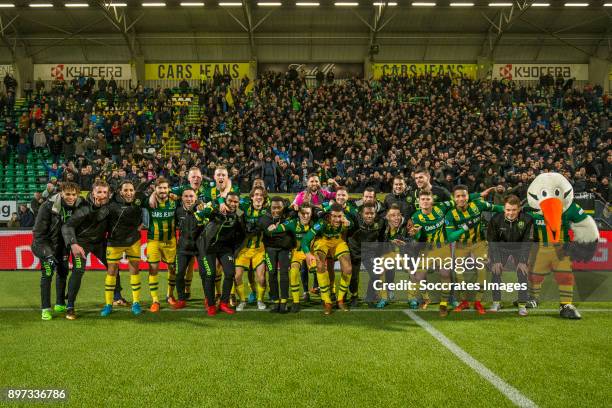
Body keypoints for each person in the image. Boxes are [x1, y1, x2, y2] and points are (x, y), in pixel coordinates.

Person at [445, 185, 504, 315]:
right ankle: (464, 301)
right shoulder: (450, 214)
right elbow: (450, 237)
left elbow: (497, 208)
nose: (461, 198)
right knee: (458, 272)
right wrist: (465, 228)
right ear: (454, 198)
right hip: (461, 244)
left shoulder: (477, 205)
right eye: (458, 196)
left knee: (481, 269)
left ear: (468, 196)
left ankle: (478, 301)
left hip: (479, 243)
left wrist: (511, 210)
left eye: (464, 195)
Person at [31, 182, 82, 321]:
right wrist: (47, 253)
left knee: (63, 272)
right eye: (67, 194)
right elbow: (38, 235)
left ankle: (60, 303)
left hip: (63, 246)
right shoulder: (47, 206)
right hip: (46, 245)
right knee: (47, 273)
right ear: (61, 193)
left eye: (73, 194)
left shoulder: (78, 205)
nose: (71, 197)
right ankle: (45, 309)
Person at [61, 181, 111, 319]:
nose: (102, 195)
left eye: (105, 192)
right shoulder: (83, 206)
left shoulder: (109, 204)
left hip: (100, 242)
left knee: (113, 266)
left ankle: (117, 296)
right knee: (78, 270)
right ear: (93, 192)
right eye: (99, 192)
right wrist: (73, 243)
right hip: (82, 243)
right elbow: (67, 226)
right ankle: (70, 306)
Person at [100, 180, 144, 317]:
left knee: (134, 270)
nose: (129, 193)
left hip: (133, 241)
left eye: (131, 190)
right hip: (115, 242)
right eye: (126, 190)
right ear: (120, 192)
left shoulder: (139, 201)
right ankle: (108, 304)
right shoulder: (111, 204)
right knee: (111, 271)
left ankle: (136, 302)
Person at [194, 191, 242, 316]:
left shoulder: (239, 214)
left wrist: (235, 250)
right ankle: (210, 305)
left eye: (235, 201)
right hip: (207, 246)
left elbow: (242, 233)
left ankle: (224, 303)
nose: (232, 203)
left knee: (230, 273)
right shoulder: (216, 208)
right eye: (230, 201)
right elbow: (199, 215)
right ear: (225, 201)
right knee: (211, 274)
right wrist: (216, 205)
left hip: (225, 248)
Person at [301, 203, 353, 314]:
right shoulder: (321, 222)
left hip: (338, 242)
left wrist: (349, 224)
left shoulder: (346, 221)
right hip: (323, 242)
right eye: (334, 216)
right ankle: (327, 302)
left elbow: (352, 225)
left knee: (348, 269)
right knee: (320, 266)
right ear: (329, 215)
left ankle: (340, 300)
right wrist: (308, 254)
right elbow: (305, 240)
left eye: (340, 216)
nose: (337, 219)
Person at [487, 195, 534, 316]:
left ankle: (522, 305)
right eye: (508, 210)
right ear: (504, 209)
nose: (511, 213)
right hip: (501, 248)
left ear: (519, 209)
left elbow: (527, 242)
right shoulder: (495, 220)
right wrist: (496, 260)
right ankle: (496, 302)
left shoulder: (528, 220)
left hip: (519, 248)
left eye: (514, 210)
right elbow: (492, 241)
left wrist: (523, 261)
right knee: (496, 272)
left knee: (522, 273)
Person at [267, 204, 315, 313]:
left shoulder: (315, 223)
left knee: (319, 270)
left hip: (311, 253)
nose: (306, 216)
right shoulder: (293, 223)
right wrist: (274, 228)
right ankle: (296, 302)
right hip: (297, 252)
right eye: (303, 213)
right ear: (298, 214)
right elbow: (280, 227)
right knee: (293, 272)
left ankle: (327, 300)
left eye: (308, 213)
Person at [234, 186, 269, 311]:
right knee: (237, 276)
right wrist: (241, 222)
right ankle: (242, 301)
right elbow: (235, 210)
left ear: (264, 198)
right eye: (256, 195)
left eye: (261, 195)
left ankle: (260, 300)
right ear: (252, 197)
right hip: (243, 250)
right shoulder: (244, 209)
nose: (259, 197)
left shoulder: (267, 211)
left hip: (259, 250)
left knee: (261, 277)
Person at [260, 197, 294, 313]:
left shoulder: (289, 214)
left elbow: (296, 211)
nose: (276, 210)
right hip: (270, 250)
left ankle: (284, 301)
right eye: (274, 208)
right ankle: (275, 301)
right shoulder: (265, 217)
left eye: (279, 207)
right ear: (270, 207)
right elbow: (267, 230)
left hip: (285, 249)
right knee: (272, 273)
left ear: (283, 207)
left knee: (284, 274)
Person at [172, 188, 204, 309]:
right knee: (179, 274)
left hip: (199, 248)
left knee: (205, 274)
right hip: (183, 247)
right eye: (186, 196)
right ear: (182, 198)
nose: (189, 199)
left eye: (191, 196)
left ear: (195, 198)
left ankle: (208, 299)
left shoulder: (201, 210)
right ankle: (181, 299)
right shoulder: (178, 211)